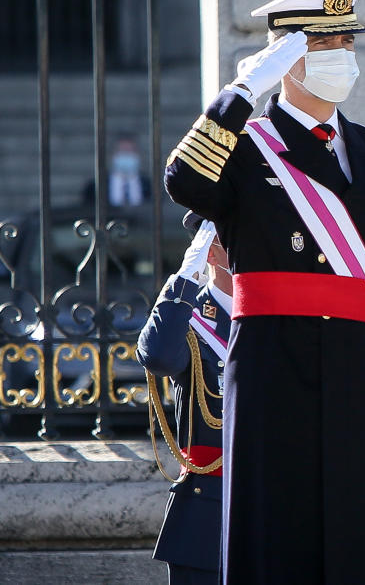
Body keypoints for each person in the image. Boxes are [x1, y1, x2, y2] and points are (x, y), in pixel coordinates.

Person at [163, 0, 365, 583]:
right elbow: (183, 181)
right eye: (322, 41)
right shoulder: (246, 146)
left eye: (346, 39)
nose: (341, 51)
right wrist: (240, 93)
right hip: (273, 371)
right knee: (276, 541)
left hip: (360, 373)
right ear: (285, 57)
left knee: (357, 546)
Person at [137, 212, 232, 584]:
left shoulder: (276, 320)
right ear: (210, 253)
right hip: (210, 510)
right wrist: (186, 277)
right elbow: (158, 356)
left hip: (277, 502)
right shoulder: (189, 322)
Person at [83, 134, 151, 207]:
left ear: (138, 154)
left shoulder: (150, 187)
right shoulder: (94, 187)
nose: (126, 155)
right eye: (122, 151)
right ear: (112, 154)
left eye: (130, 151)